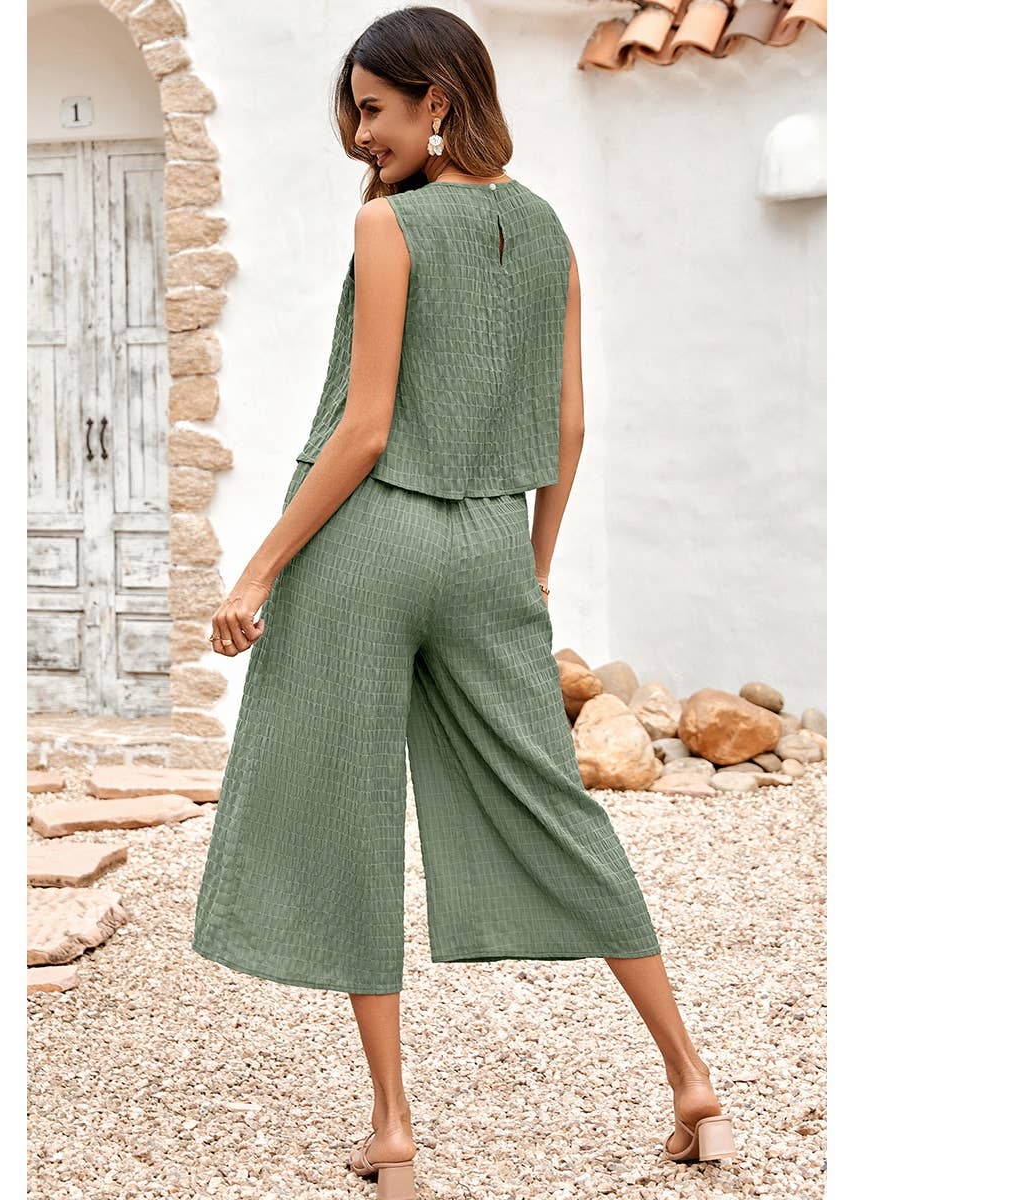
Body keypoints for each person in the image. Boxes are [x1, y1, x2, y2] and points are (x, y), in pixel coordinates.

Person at [190, 7, 736, 1194]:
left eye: (374, 112)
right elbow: (570, 424)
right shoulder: (548, 232)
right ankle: (691, 1078)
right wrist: (530, 566)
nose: (359, 138)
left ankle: (393, 1133)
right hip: (492, 546)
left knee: (347, 813)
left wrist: (261, 567)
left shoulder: (389, 227)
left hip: (368, 545)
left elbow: (366, 424)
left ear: (438, 101)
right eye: (352, 115)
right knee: (554, 805)